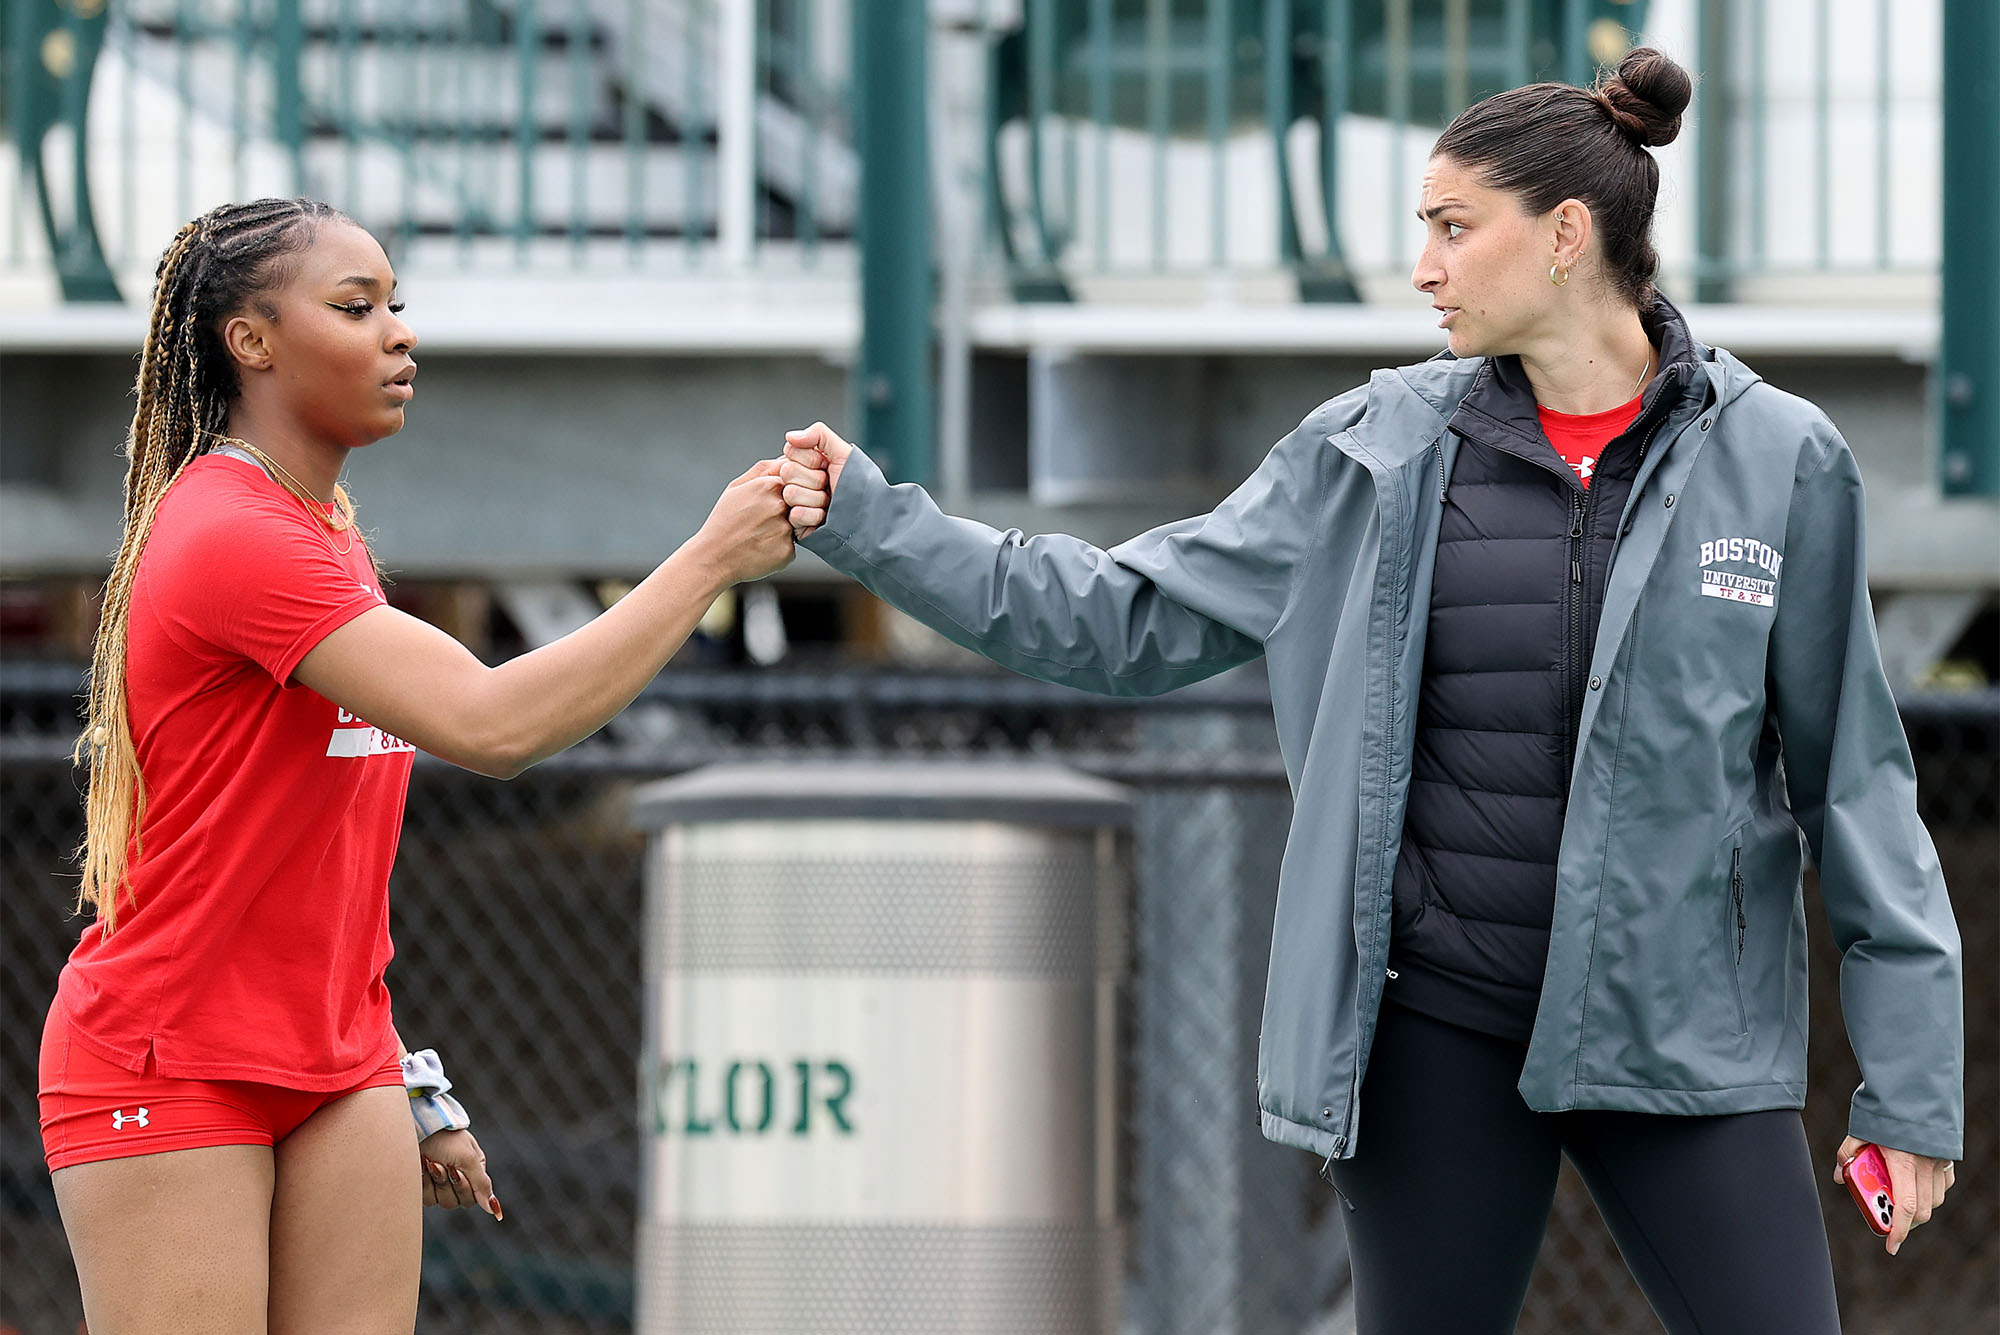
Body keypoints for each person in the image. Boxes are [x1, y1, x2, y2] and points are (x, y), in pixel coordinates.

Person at [777, 48, 1962, 1335]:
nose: (1423, 270)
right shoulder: (1368, 450)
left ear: (1566, 235)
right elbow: (1116, 618)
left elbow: (1857, 787)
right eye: (1422, 233)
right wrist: (872, 521)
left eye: (1453, 229)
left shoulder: (1780, 459)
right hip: (1432, 1040)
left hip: (1684, 1042)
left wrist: (1906, 1089)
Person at [40, 197, 814, 1335]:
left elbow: (315, 875)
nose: (400, 333)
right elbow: (492, 724)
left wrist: (405, 1075)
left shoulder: (326, 530)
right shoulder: (232, 530)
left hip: (343, 1058)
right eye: (356, 308)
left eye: (396, 305)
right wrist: (709, 560)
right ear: (249, 341)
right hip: (169, 1063)